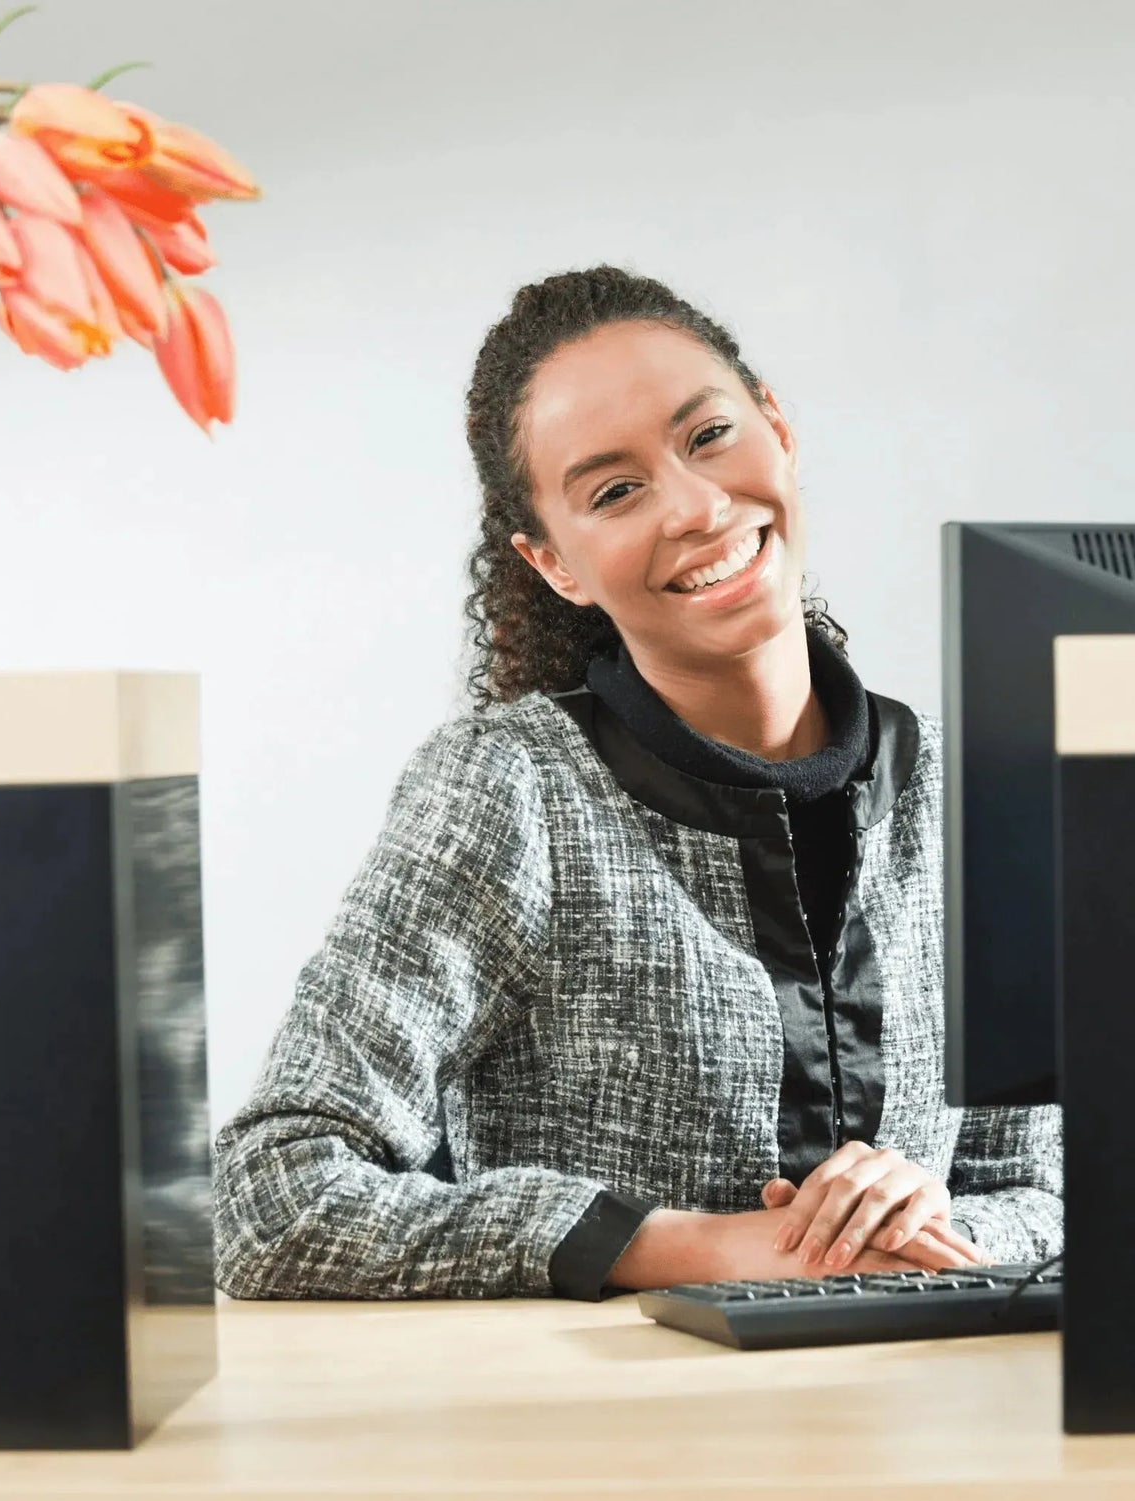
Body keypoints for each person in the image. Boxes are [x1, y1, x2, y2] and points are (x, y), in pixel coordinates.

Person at [213, 265, 1062, 1301]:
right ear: (553, 562)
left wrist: (923, 1219)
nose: (699, 508)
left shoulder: (967, 791)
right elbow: (270, 1196)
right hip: (618, 1445)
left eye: (710, 436)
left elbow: (1055, 1190)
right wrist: (690, 1248)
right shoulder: (512, 791)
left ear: (779, 429)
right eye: (614, 491)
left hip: (927, 1447)